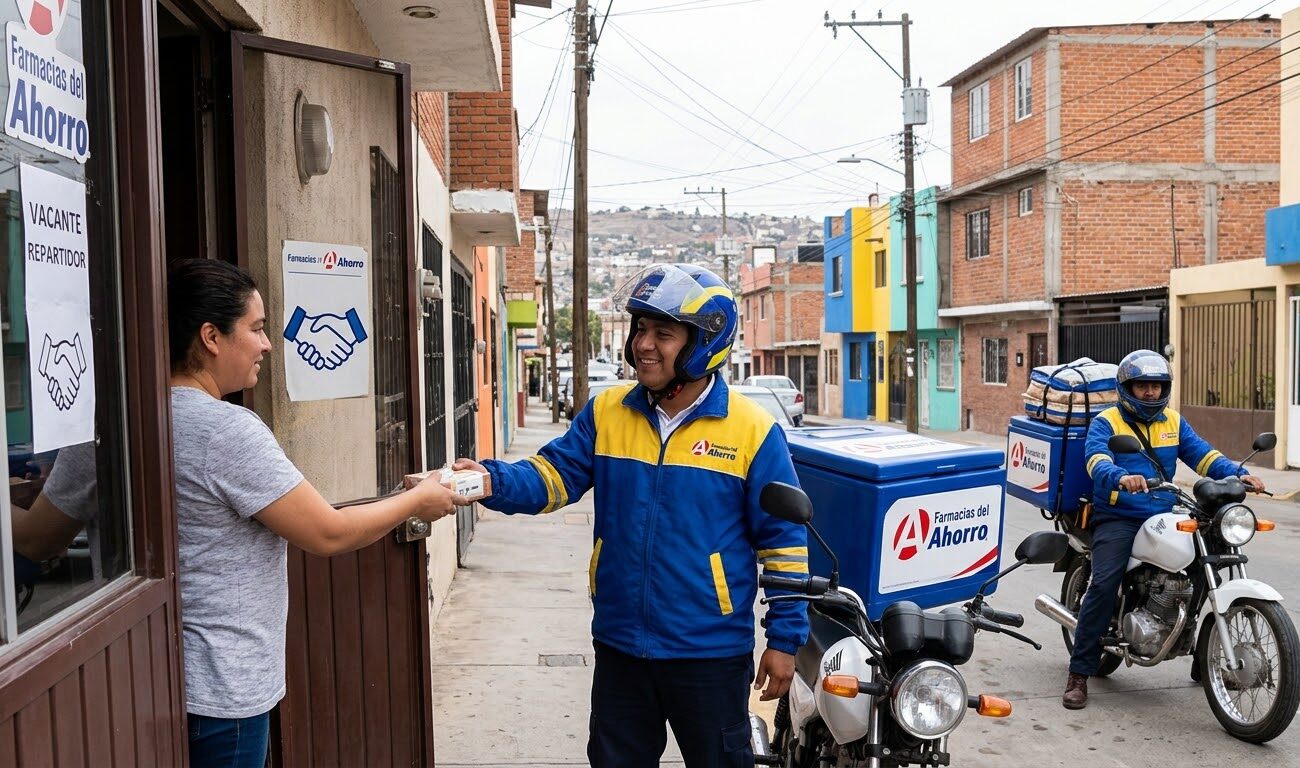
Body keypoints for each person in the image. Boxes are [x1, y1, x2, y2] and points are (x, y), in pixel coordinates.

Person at [454, 263, 809, 768]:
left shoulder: (752, 432)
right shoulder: (608, 412)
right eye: (640, 328)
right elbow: (552, 478)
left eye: (663, 333)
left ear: (705, 344)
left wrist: (785, 639)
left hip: (709, 655)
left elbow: (784, 542)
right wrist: (487, 481)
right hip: (621, 647)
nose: (644, 344)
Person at [167, 259, 467, 767]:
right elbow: (327, 532)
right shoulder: (226, 430)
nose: (266, 344)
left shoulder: (123, 418)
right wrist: (418, 501)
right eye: (257, 329)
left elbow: (41, 535)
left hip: (159, 681)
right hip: (224, 690)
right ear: (211, 336)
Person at [1064, 349, 1265, 710]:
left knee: (1204, 569)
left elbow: (1203, 455)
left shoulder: (1173, 421)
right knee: (1105, 582)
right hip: (1119, 515)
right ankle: (1079, 672)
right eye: (1143, 386)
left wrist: (1237, 473)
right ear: (1126, 387)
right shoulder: (1107, 422)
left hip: (1165, 508)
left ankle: (1202, 659)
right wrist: (1121, 477)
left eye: (1157, 386)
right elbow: (1096, 460)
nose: (1151, 394)